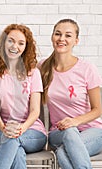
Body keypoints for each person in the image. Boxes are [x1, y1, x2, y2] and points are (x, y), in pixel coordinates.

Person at [39, 18, 102, 169]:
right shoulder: (42, 68)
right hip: (58, 132)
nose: (62, 39)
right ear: (52, 37)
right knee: (69, 133)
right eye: (58, 34)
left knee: (62, 153)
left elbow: (98, 109)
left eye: (68, 35)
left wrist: (75, 121)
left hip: (92, 131)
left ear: (76, 40)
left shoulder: (87, 69)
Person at [0, 24, 47, 169]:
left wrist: (21, 128)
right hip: (1, 130)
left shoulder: (33, 73)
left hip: (32, 131)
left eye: (21, 43)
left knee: (14, 140)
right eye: (11, 41)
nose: (15, 46)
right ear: (3, 43)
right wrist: (4, 128)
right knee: (15, 148)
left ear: (26, 47)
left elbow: (35, 111)